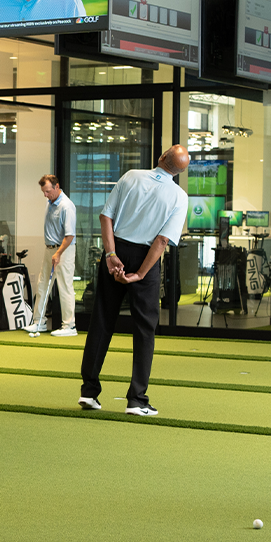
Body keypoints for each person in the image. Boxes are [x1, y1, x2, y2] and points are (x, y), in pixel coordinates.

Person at [78, 145, 190, 416]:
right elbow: (162, 240)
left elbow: (106, 215)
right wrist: (140, 273)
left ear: (161, 157)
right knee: (144, 331)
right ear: (180, 171)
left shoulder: (131, 176)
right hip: (146, 257)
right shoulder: (179, 196)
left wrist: (111, 254)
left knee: (102, 321)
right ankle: (137, 400)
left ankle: (89, 392)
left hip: (116, 249)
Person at [38, 174, 78, 337]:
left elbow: (70, 236)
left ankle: (69, 326)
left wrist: (58, 253)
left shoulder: (67, 206)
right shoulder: (50, 203)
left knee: (64, 287)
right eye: (44, 192)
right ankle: (38, 323)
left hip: (63, 250)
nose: (45, 195)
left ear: (57, 186)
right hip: (50, 249)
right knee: (42, 285)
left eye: (48, 191)